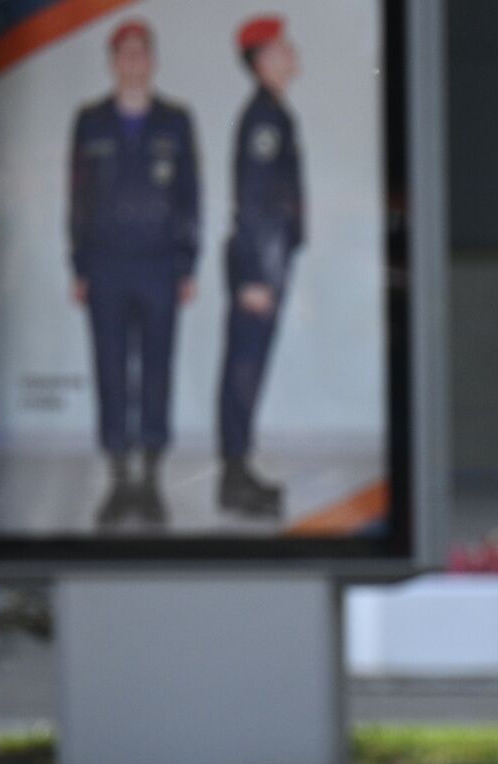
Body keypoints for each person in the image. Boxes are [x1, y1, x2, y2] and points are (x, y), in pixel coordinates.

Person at [68, 19, 199, 528]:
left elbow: (190, 199)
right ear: (112, 62)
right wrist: (78, 265)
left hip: (160, 268)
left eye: (141, 54)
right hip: (105, 268)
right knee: (111, 370)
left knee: (157, 371)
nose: (132, 63)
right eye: (123, 54)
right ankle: (119, 478)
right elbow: (77, 200)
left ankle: (151, 480)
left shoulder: (175, 121)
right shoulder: (91, 122)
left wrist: (187, 264)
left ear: (153, 62)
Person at [217, 16, 303, 518]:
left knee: (249, 371)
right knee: (243, 373)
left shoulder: (273, 113)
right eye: (284, 48)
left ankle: (238, 472)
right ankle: (234, 478)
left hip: (266, 263)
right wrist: (253, 275)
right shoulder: (264, 120)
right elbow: (253, 202)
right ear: (263, 60)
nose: (293, 54)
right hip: (258, 266)